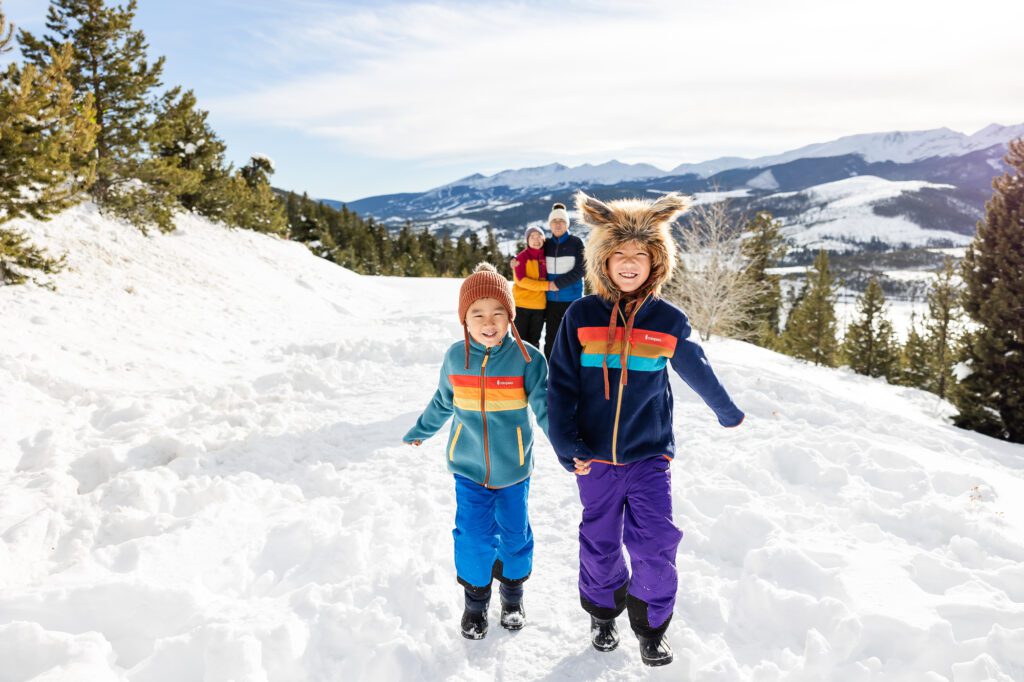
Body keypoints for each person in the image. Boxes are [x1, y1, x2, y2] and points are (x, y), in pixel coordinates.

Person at [547, 192, 744, 667]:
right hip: (593, 458)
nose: (630, 263)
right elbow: (560, 387)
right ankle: (602, 613)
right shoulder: (580, 317)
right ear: (603, 260)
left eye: (641, 255)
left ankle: (652, 627)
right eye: (620, 254)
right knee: (600, 541)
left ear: (657, 260)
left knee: (656, 542)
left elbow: (697, 368)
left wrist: (726, 410)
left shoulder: (667, 320)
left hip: (649, 456)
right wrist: (565, 442)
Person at [403, 263, 549, 640]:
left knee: (515, 535)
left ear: (510, 316)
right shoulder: (456, 358)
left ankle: (513, 597)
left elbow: (547, 407)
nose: (489, 322)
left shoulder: (528, 358)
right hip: (468, 467)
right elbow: (442, 401)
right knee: (473, 536)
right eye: (478, 314)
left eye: (498, 313)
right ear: (464, 319)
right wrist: (422, 430)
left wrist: (570, 448)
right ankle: (475, 603)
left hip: (514, 469)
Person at [543, 202, 585, 359]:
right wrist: (514, 259)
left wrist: (557, 284)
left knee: (572, 337)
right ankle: (550, 373)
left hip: (571, 299)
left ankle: (573, 371)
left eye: (561, 221)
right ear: (550, 225)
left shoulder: (576, 243)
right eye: (554, 221)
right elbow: (530, 254)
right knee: (551, 339)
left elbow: (581, 269)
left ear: (567, 223)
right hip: (551, 300)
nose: (558, 224)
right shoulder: (546, 244)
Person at [512, 225, 548, 348]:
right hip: (521, 305)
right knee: (518, 341)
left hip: (539, 306)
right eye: (532, 237)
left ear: (544, 239)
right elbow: (521, 280)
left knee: (534, 342)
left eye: (539, 236)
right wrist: (547, 286)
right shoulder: (522, 257)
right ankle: (516, 367)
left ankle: (533, 366)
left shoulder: (547, 257)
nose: (536, 240)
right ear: (527, 240)